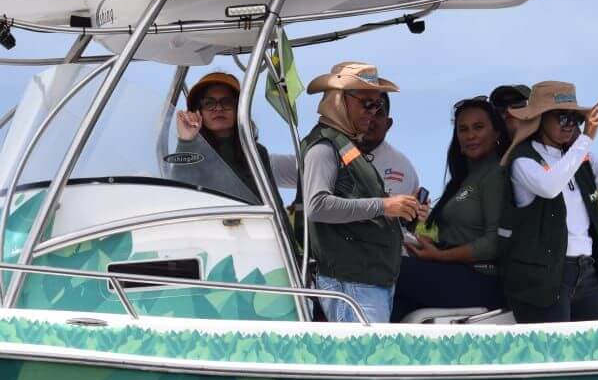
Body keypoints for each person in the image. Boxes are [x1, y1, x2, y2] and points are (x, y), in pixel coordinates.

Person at [501, 81, 598, 323]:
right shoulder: (523, 161)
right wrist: (587, 138)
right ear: (540, 118)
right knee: (553, 355)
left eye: (574, 118)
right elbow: (549, 186)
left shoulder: (583, 157)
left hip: (587, 272)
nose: (570, 124)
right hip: (544, 277)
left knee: (595, 351)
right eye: (562, 117)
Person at [299, 62, 423, 323]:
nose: (373, 112)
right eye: (367, 104)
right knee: (364, 359)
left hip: (365, 280)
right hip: (352, 281)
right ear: (339, 101)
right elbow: (317, 206)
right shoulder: (324, 147)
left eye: (377, 105)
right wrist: (384, 206)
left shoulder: (343, 145)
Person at [392, 97, 511, 321]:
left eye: (478, 127)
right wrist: (428, 244)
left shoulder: (496, 174)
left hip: (483, 279)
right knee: (395, 301)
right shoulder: (461, 181)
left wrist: (441, 256)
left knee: (387, 268)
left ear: (496, 133)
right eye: (463, 129)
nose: (470, 135)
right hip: (454, 272)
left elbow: (494, 243)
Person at [170, 71, 295, 200]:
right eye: (209, 103)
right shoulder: (191, 152)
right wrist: (186, 141)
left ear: (239, 109)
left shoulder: (257, 153)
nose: (218, 108)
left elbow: (274, 204)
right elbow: (179, 195)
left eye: (227, 102)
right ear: (198, 111)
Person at [356, 93, 419, 200]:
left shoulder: (400, 166)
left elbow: (386, 214)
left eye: (378, 113)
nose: (370, 119)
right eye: (366, 110)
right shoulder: (331, 151)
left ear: (388, 124)